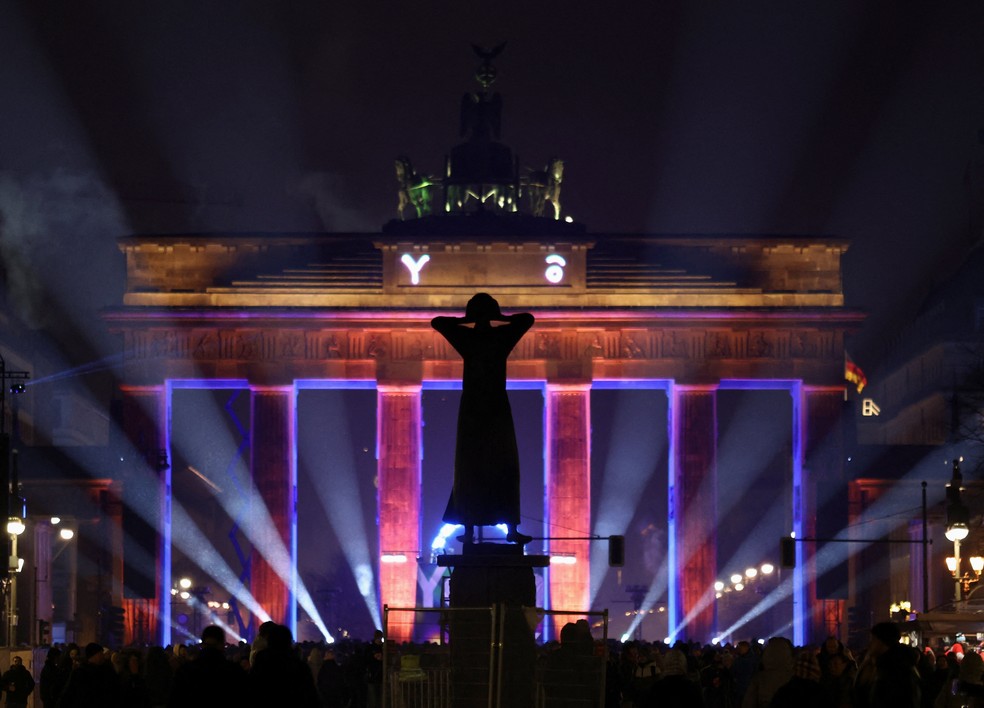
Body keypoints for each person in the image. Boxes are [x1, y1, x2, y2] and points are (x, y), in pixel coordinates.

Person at [431, 293, 535, 545]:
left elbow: (438, 322)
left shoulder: (467, 338)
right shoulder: (501, 337)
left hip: (472, 409)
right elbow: (526, 319)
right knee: (505, 467)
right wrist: (501, 318)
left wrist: (466, 319)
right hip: (496, 406)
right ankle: (510, 529)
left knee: (469, 469)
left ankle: (467, 531)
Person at [168, 625, 246, 708]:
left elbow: (175, 700)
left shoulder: (185, 671)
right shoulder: (235, 671)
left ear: (202, 645)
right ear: (223, 645)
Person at [59, 642, 120, 708]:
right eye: (101, 653)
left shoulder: (107, 671)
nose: (103, 656)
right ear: (95, 655)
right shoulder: (80, 672)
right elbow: (69, 693)